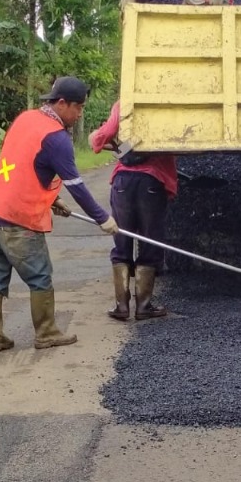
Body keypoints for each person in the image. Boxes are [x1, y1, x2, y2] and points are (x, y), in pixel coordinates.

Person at [0, 76, 119, 352]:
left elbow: (23, 165)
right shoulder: (57, 138)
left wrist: (52, 199)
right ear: (62, 103)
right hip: (19, 221)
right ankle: (47, 332)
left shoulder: (25, 119)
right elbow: (76, 186)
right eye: (78, 108)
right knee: (40, 276)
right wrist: (103, 218)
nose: (79, 115)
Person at [89, 101, 179, 320]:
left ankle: (121, 306)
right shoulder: (169, 103)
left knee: (122, 239)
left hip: (123, 181)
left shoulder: (125, 101)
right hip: (152, 180)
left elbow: (107, 132)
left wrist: (96, 138)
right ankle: (144, 306)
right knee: (150, 240)